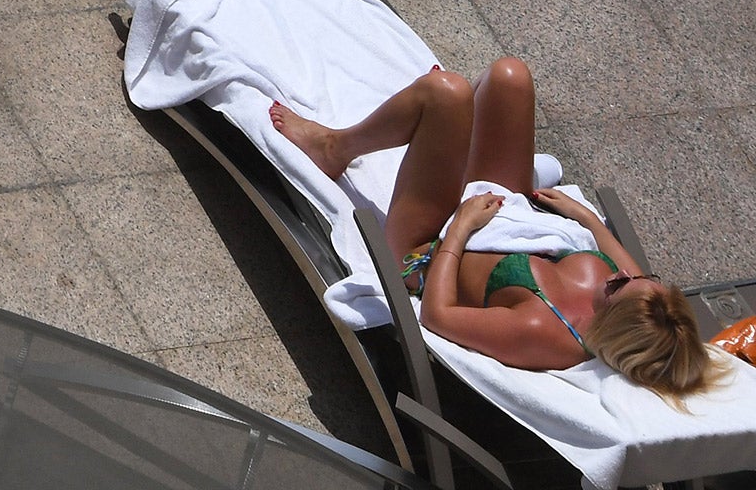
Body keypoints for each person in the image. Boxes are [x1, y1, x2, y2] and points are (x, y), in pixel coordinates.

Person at [270, 57, 728, 399]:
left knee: (444, 92)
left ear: (607, 323)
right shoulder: (635, 294)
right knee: (511, 77)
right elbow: (629, 273)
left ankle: (334, 147)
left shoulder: (545, 332)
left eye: (619, 284)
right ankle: (453, 134)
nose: (624, 272)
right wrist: (584, 216)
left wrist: (459, 231)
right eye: (640, 278)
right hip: (505, 212)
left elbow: (438, 316)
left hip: (429, 245)